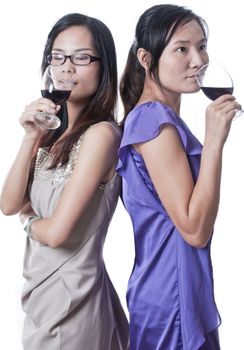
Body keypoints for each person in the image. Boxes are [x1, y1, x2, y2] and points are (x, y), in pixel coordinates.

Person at [0, 13, 129, 350]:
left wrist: (28, 222)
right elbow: (8, 203)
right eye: (57, 57)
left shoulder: (101, 135)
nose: (67, 67)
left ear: (103, 66)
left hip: (76, 300)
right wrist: (31, 137)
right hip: (42, 298)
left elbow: (57, 233)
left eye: (81, 57)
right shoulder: (51, 136)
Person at [117, 4, 241, 350]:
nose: (198, 60)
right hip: (170, 291)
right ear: (146, 57)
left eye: (201, 46)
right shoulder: (153, 120)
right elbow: (195, 229)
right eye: (181, 49)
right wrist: (214, 141)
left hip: (174, 285)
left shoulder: (158, 119)